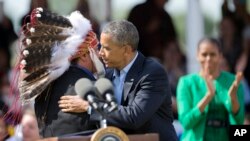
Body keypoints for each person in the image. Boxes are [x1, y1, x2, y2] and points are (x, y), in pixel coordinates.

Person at [13, 8, 105, 137]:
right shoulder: (92, 86)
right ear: (84, 55)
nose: (100, 54)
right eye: (96, 49)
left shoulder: (45, 85)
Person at [97, 20, 178, 141]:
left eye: (107, 48)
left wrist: (91, 107)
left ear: (126, 50)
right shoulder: (106, 76)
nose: (100, 53)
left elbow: (135, 116)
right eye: (100, 47)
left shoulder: (153, 73)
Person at [176, 37, 245, 141]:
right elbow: (186, 122)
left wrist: (233, 98)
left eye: (212, 54)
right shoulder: (186, 83)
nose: (208, 58)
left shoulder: (232, 81)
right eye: (204, 54)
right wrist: (208, 97)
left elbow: (239, 121)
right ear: (197, 56)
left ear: (220, 56)